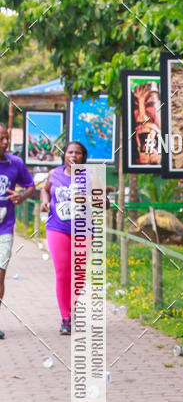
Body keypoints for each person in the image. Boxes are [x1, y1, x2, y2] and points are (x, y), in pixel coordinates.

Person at [40, 141, 108, 335]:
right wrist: (45, 201)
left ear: (83, 157)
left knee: (77, 273)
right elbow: (45, 189)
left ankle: (72, 306)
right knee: (62, 273)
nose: (73, 156)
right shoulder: (54, 174)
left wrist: (86, 199)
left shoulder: (90, 176)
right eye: (70, 152)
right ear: (64, 155)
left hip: (83, 230)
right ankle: (66, 318)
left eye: (78, 153)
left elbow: (104, 203)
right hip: (57, 228)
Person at [0, 124, 35, 339]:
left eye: (6, 138)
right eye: (1, 139)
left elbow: (30, 186)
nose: (5, 142)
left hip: (4, 229)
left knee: (0, 275)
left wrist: (21, 196)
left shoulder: (16, 163)